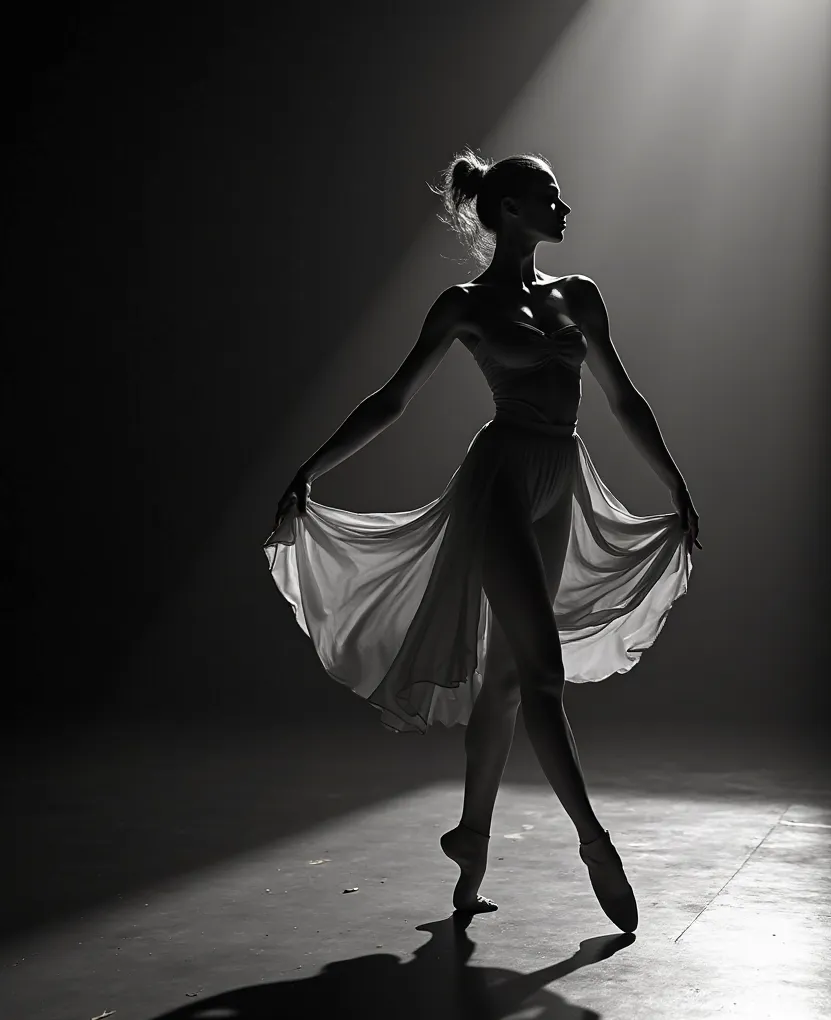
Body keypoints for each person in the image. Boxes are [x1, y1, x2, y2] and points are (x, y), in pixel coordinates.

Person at [264, 149, 700, 933]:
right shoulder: (463, 303)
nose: (565, 209)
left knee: (506, 684)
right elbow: (391, 399)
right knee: (541, 674)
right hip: (500, 481)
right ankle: (595, 844)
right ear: (507, 210)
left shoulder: (581, 295)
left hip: (561, 476)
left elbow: (624, 398)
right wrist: (311, 466)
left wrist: (673, 481)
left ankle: (471, 842)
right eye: (550, 198)